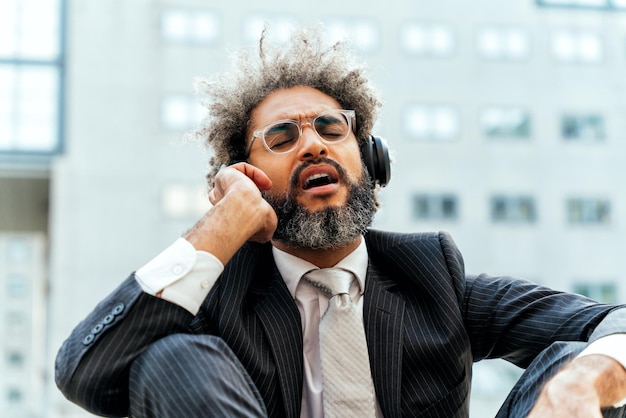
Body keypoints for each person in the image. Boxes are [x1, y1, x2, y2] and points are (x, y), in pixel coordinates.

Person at [55, 26, 626, 418]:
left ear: (370, 159)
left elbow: (613, 321)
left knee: (573, 357)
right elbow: (87, 371)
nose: (311, 145)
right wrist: (223, 224)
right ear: (244, 175)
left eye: (331, 129)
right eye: (281, 137)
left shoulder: (435, 279)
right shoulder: (216, 298)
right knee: (172, 355)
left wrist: (586, 376)